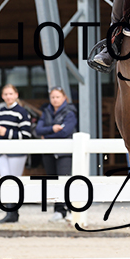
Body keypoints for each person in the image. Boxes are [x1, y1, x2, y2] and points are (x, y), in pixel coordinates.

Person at [36, 86, 77, 222]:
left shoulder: (70, 112)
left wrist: (47, 135)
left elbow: (66, 131)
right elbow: (38, 129)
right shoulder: (46, 111)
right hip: (49, 152)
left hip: (64, 152)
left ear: (64, 98)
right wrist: (53, 128)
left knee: (65, 180)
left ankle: (70, 210)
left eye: (58, 97)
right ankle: (59, 210)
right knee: (53, 181)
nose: (55, 100)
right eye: (53, 97)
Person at [0, 84, 32, 223]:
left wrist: (7, 133)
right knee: (5, 181)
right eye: (6, 94)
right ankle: (10, 212)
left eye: (11, 94)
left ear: (16, 95)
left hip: (17, 152)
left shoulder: (22, 112)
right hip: (2, 152)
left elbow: (26, 134)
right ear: (2, 96)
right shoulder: (0, 112)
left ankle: (13, 212)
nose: (8, 97)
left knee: (14, 181)